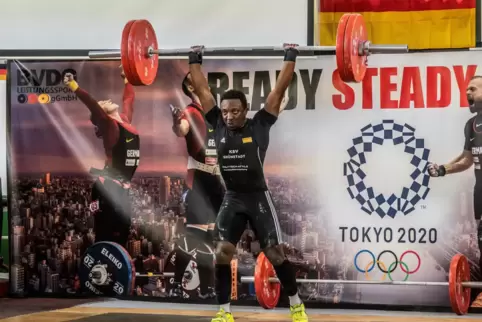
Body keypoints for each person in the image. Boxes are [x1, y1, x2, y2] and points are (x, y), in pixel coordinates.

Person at [188, 44, 308, 322]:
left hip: (257, 197)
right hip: (233, 197)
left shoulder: (260, 125)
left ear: (245, 110)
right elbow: (203, 90)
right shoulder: (216, 123)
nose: (229, 116)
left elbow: (278, 90)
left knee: (276, 254)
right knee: (222, 252)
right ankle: (224, 312)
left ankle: (296, 305)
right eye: (226, 111)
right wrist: (194, 58)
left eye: (235, 112)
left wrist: (290, 56)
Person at [63, 66, 140, 248]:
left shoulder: (125, 121)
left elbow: (129, 99)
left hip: (120, 190)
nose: (105, 100)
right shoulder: (110, 126)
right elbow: (91, 103)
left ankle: (114, 270)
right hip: (107, 190)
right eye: (102, 104)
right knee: (105, 236)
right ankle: (100, 267)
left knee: (122, 233)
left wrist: (126, 79)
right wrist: (73, 85)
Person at [168, 72, 225, 299]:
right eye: (196, 77)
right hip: (199, 181)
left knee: (210, 238)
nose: (204, 80)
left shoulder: (215, 114)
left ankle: (206, 289)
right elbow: (181, 129)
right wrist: (176, 122)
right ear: (190, 86)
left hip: (217, 182)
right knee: (194, 237)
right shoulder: (190, 112)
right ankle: (175, 285)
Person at [428, 75, 482, 293]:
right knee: (481, 238)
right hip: (480, 189)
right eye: (466, 90)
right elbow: (467, 158)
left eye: (473, 89)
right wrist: (443, 169)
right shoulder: (470, 125)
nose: (467, 93)